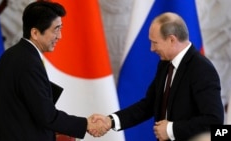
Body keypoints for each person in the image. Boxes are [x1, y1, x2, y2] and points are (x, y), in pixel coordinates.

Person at [0, 1, 108, 141]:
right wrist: (85, 124)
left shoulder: (9, 55)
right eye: (56, 29)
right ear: (35, 33)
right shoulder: (29, 63)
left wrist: (17, 125)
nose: (60, 36)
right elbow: (47, 116)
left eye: (60, 28)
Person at [92, 12, 224, 141]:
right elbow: (148, 105)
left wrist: (171, 129)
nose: (152, 49)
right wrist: (111, 121)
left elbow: (214, 121)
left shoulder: (201, 69)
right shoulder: (165, 65)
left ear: (172, 39)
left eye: (155, 42)